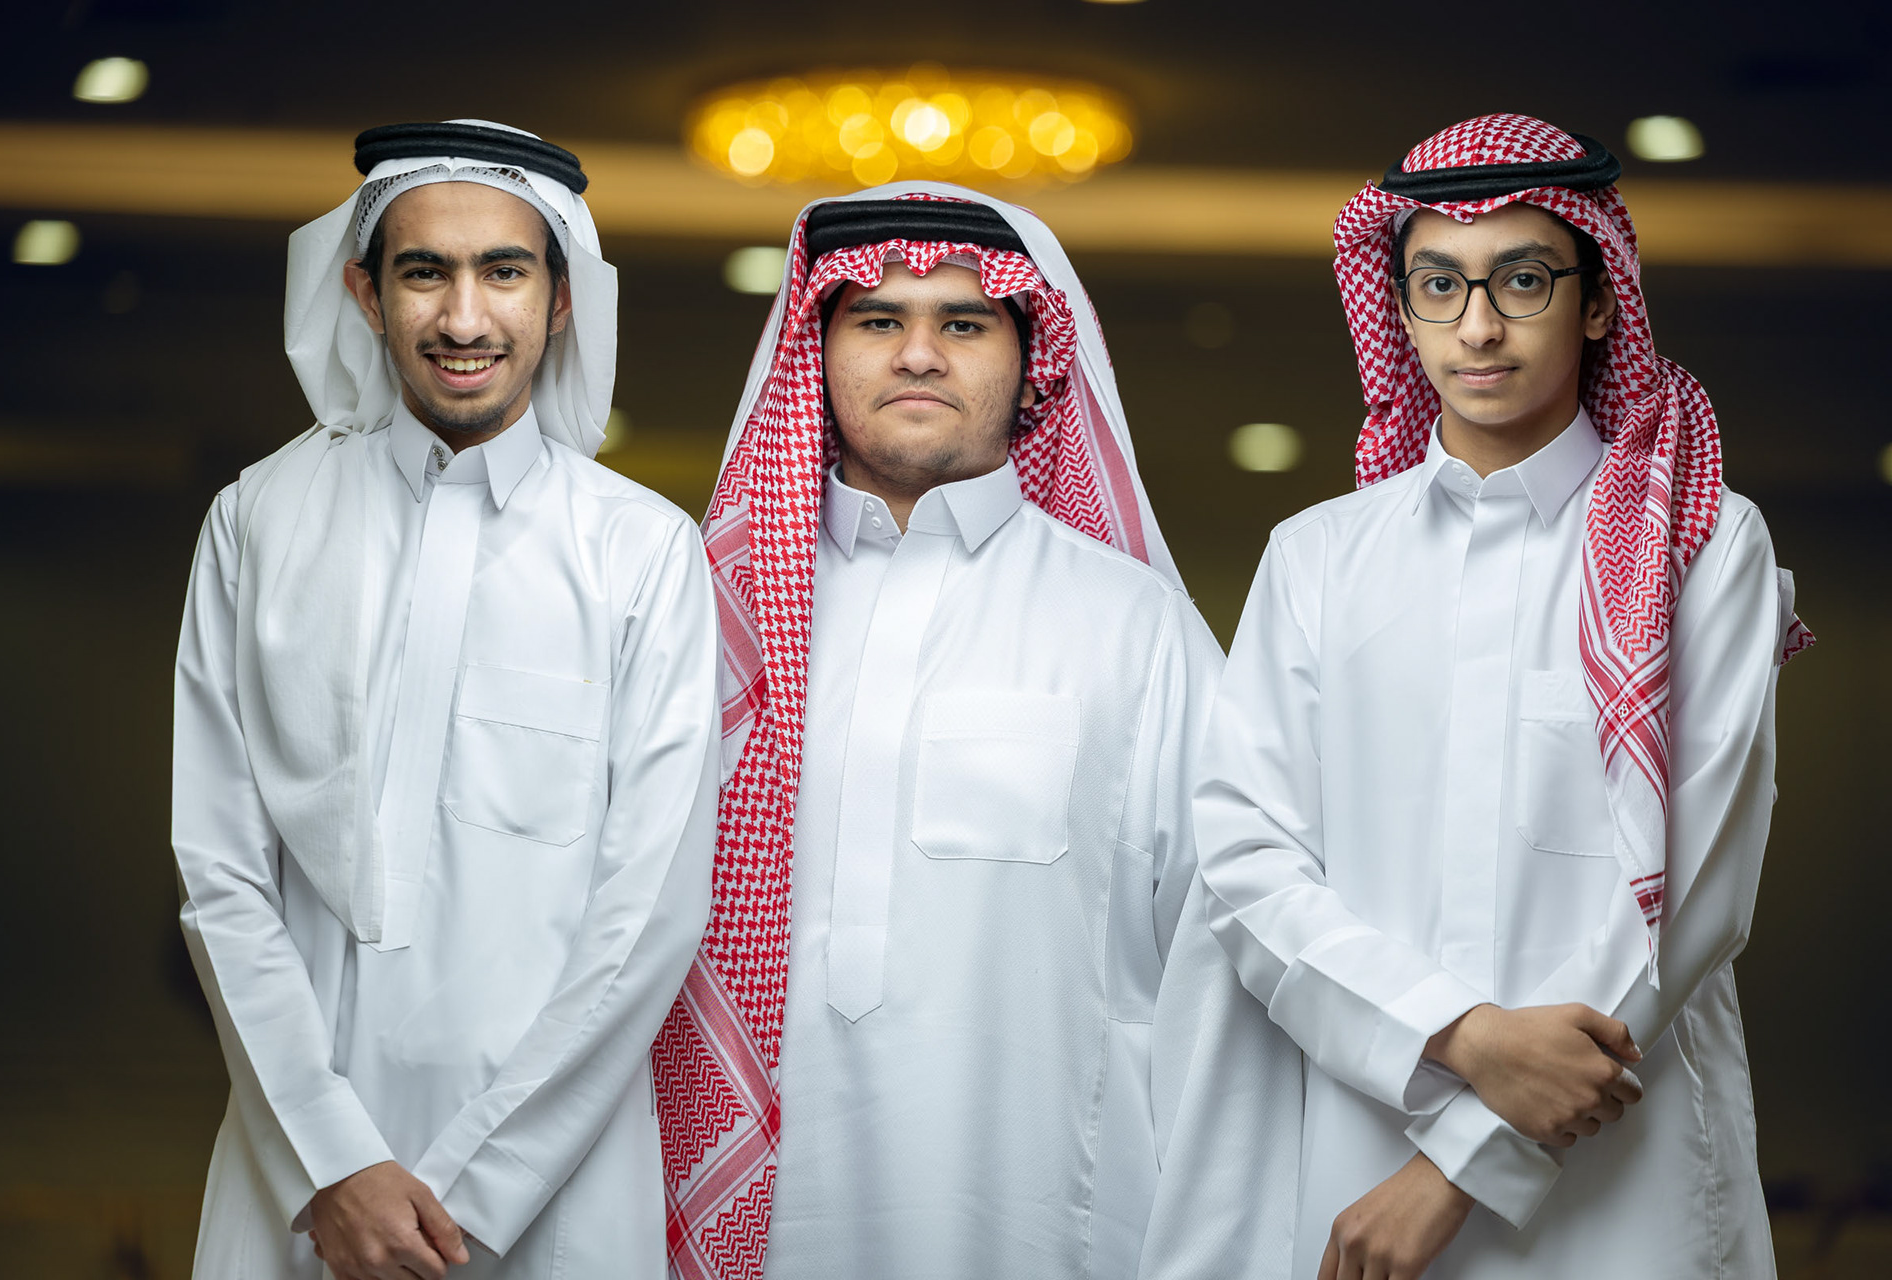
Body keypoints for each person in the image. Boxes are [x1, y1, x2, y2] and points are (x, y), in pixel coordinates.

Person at [1195, 114, 1813, 1280]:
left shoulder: (1700, 542)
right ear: (1401, 308)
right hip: (1365, 1141)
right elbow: (1247, 862)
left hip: (1627, 1179)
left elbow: (1697, 891)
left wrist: (1459, 1166)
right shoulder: (1317, 557)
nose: (1477, 326)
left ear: (1598, 299)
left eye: (1521, 280)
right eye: (1440, 285)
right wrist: (1460, 1032)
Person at [650, 186, 1302, 1280]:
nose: (918, 353)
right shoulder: (705, 618)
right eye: (876, 320)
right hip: (756, 1222)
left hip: (1050, 1220)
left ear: (1031, 362)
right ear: (817, 352)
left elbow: (1227, 961)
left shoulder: (1132, 625)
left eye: (963, 322)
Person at [172, 120, 721, 1280]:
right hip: (299, 1179)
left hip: (553, 1186)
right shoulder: (256, 520)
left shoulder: (640, 550)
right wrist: (332, 1164)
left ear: (560, 300)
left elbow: (650, 913)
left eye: (504, 271)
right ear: (365, 294)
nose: (464, 319)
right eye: (425, 271)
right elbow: (220, 873)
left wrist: (469, 1195)